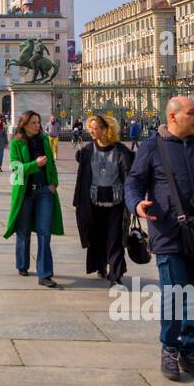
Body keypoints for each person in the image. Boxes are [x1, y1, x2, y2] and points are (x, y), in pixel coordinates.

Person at [125, 96, 194, 383]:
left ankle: (189, 350)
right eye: (192, 113)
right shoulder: (152, 147)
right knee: (174, 292)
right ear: (173, 117)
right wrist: (136, 203)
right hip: (167, 232)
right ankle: (169, 348)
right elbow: (133, 182)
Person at [3, 110, 63, 288]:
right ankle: (22, 264)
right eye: (34, 123)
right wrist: (34, 165)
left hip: (45, 191)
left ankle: (44, 274)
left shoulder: (44, 140)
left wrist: (54, 183)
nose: (38, 126)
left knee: (44, 233)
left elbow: (51, 163)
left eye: (38, 122)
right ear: (24, 125)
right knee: (23, 231)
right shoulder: (16, 143)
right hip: (25, 193)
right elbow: (15, 167)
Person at [74, 114, 135, 285]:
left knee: (114, 237)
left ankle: (116, 274)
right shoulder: (87, 150)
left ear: (106, 130)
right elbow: (83, 177)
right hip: (92, 201)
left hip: (116, 201)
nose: (92, 131)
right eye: (91, 128)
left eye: (96, 128)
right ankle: (100, 265)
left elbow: (129, 173)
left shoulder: (120, 150)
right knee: (97, 235)